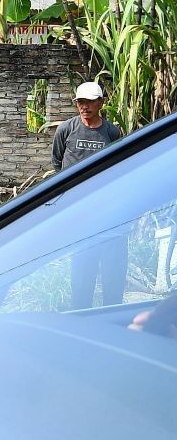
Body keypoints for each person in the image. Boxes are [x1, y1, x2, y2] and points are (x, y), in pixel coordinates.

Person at [52, 81, 127, 309]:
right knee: (83, 262)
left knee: (111, 263)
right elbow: (57, 162)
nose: (84, 107)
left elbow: (119, 166)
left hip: (106, 208)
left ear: (101, 103)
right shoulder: (66, 129)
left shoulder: (111, 132)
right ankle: (80, 310)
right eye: (80, 102)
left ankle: (110, 310)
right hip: (77, 209)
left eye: (90, 102)